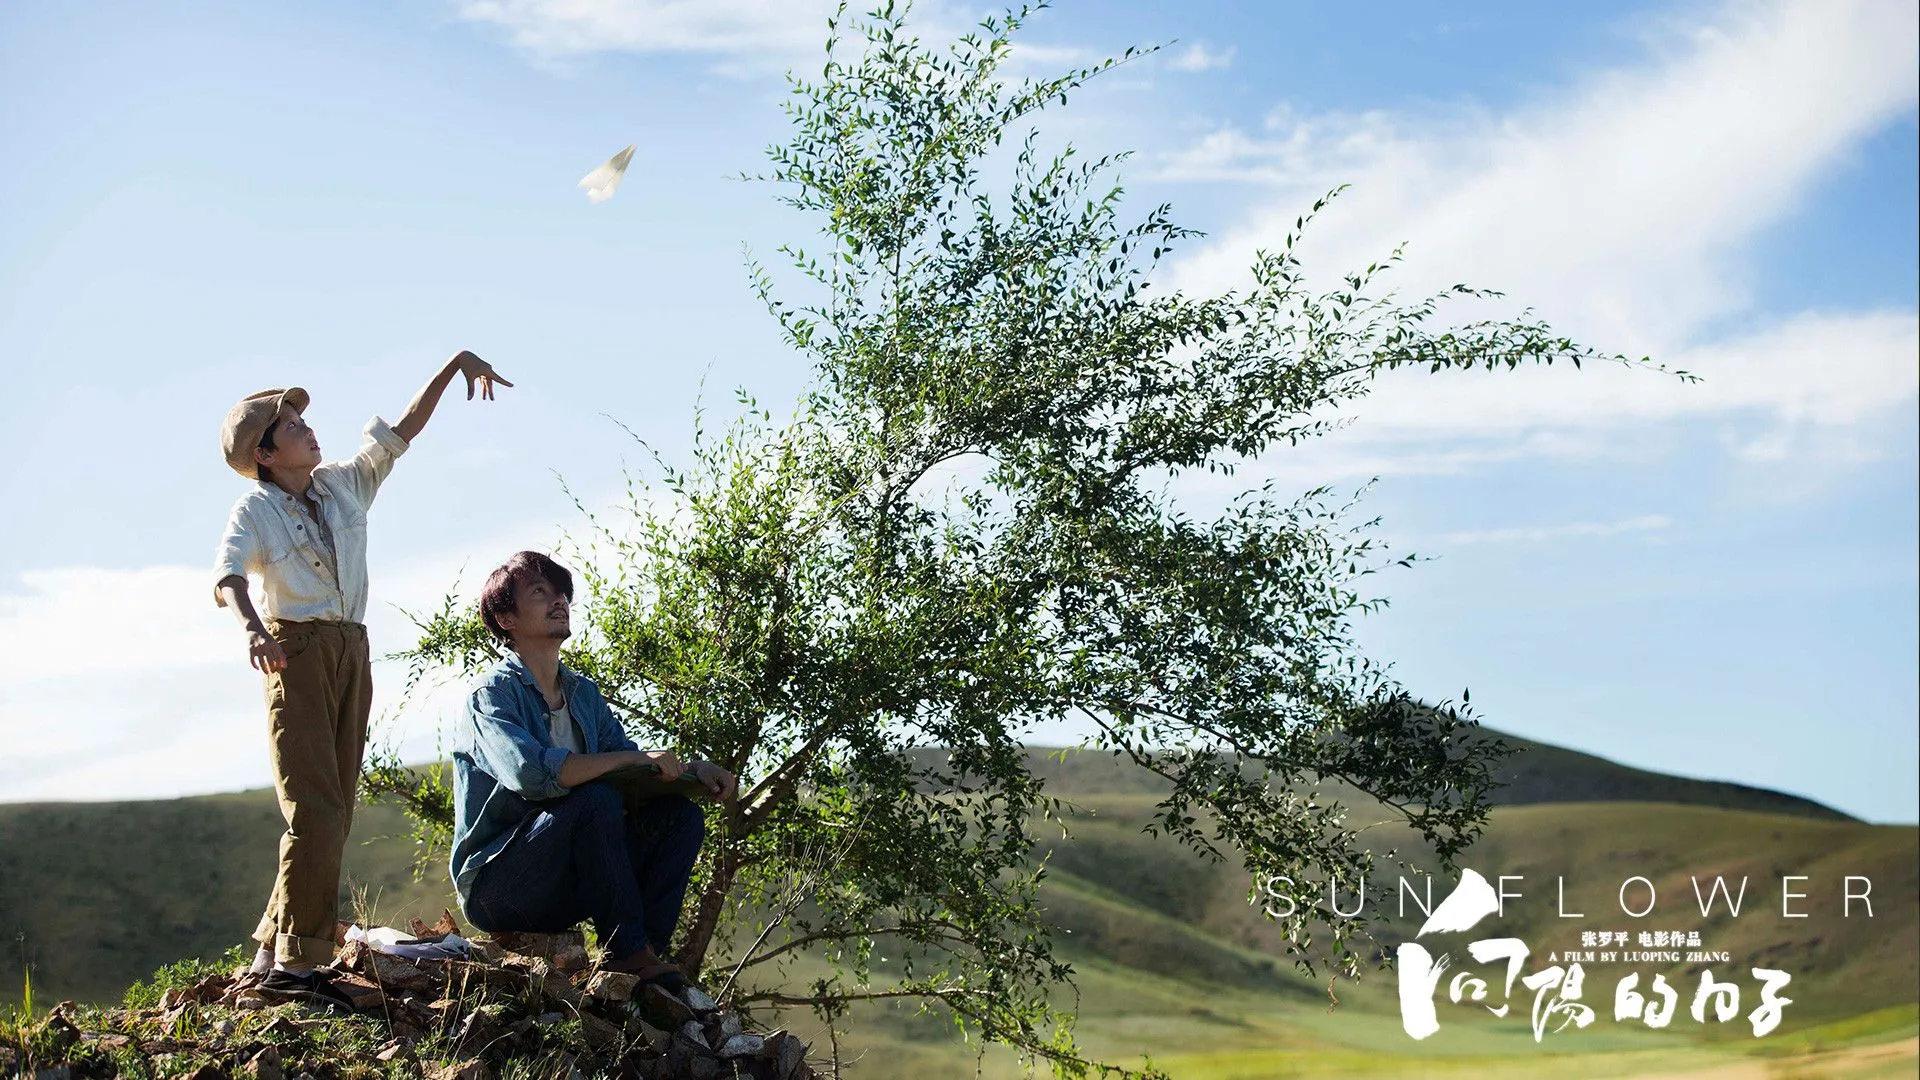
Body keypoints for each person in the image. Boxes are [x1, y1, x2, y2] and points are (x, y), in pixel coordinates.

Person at [213, 351, 512, 1007]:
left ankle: (271, 947)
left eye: (302, 420)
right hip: (295, 649)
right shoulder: (254, 511)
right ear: (264, 452)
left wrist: (454, 365)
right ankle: (293, 967)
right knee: (313, 811)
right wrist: (253, 630)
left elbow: (402, 430)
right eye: (291, 426)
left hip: (353, 647)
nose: (308, 431)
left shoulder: (344, 484)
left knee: (335, 810)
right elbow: (229, 577)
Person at [450, 551, 737, 988]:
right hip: (501, 886)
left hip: (568, 882)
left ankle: (645, 956)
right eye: (540, 591)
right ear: (506, 617)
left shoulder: (583, 694)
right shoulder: (491, 696)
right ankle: (628, 956)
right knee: (594, 800)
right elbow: (531, 774)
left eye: (562, 592)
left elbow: (634, 773)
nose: (559, 601)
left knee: (681, 817)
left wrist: (693, 771)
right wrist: (631, 760)